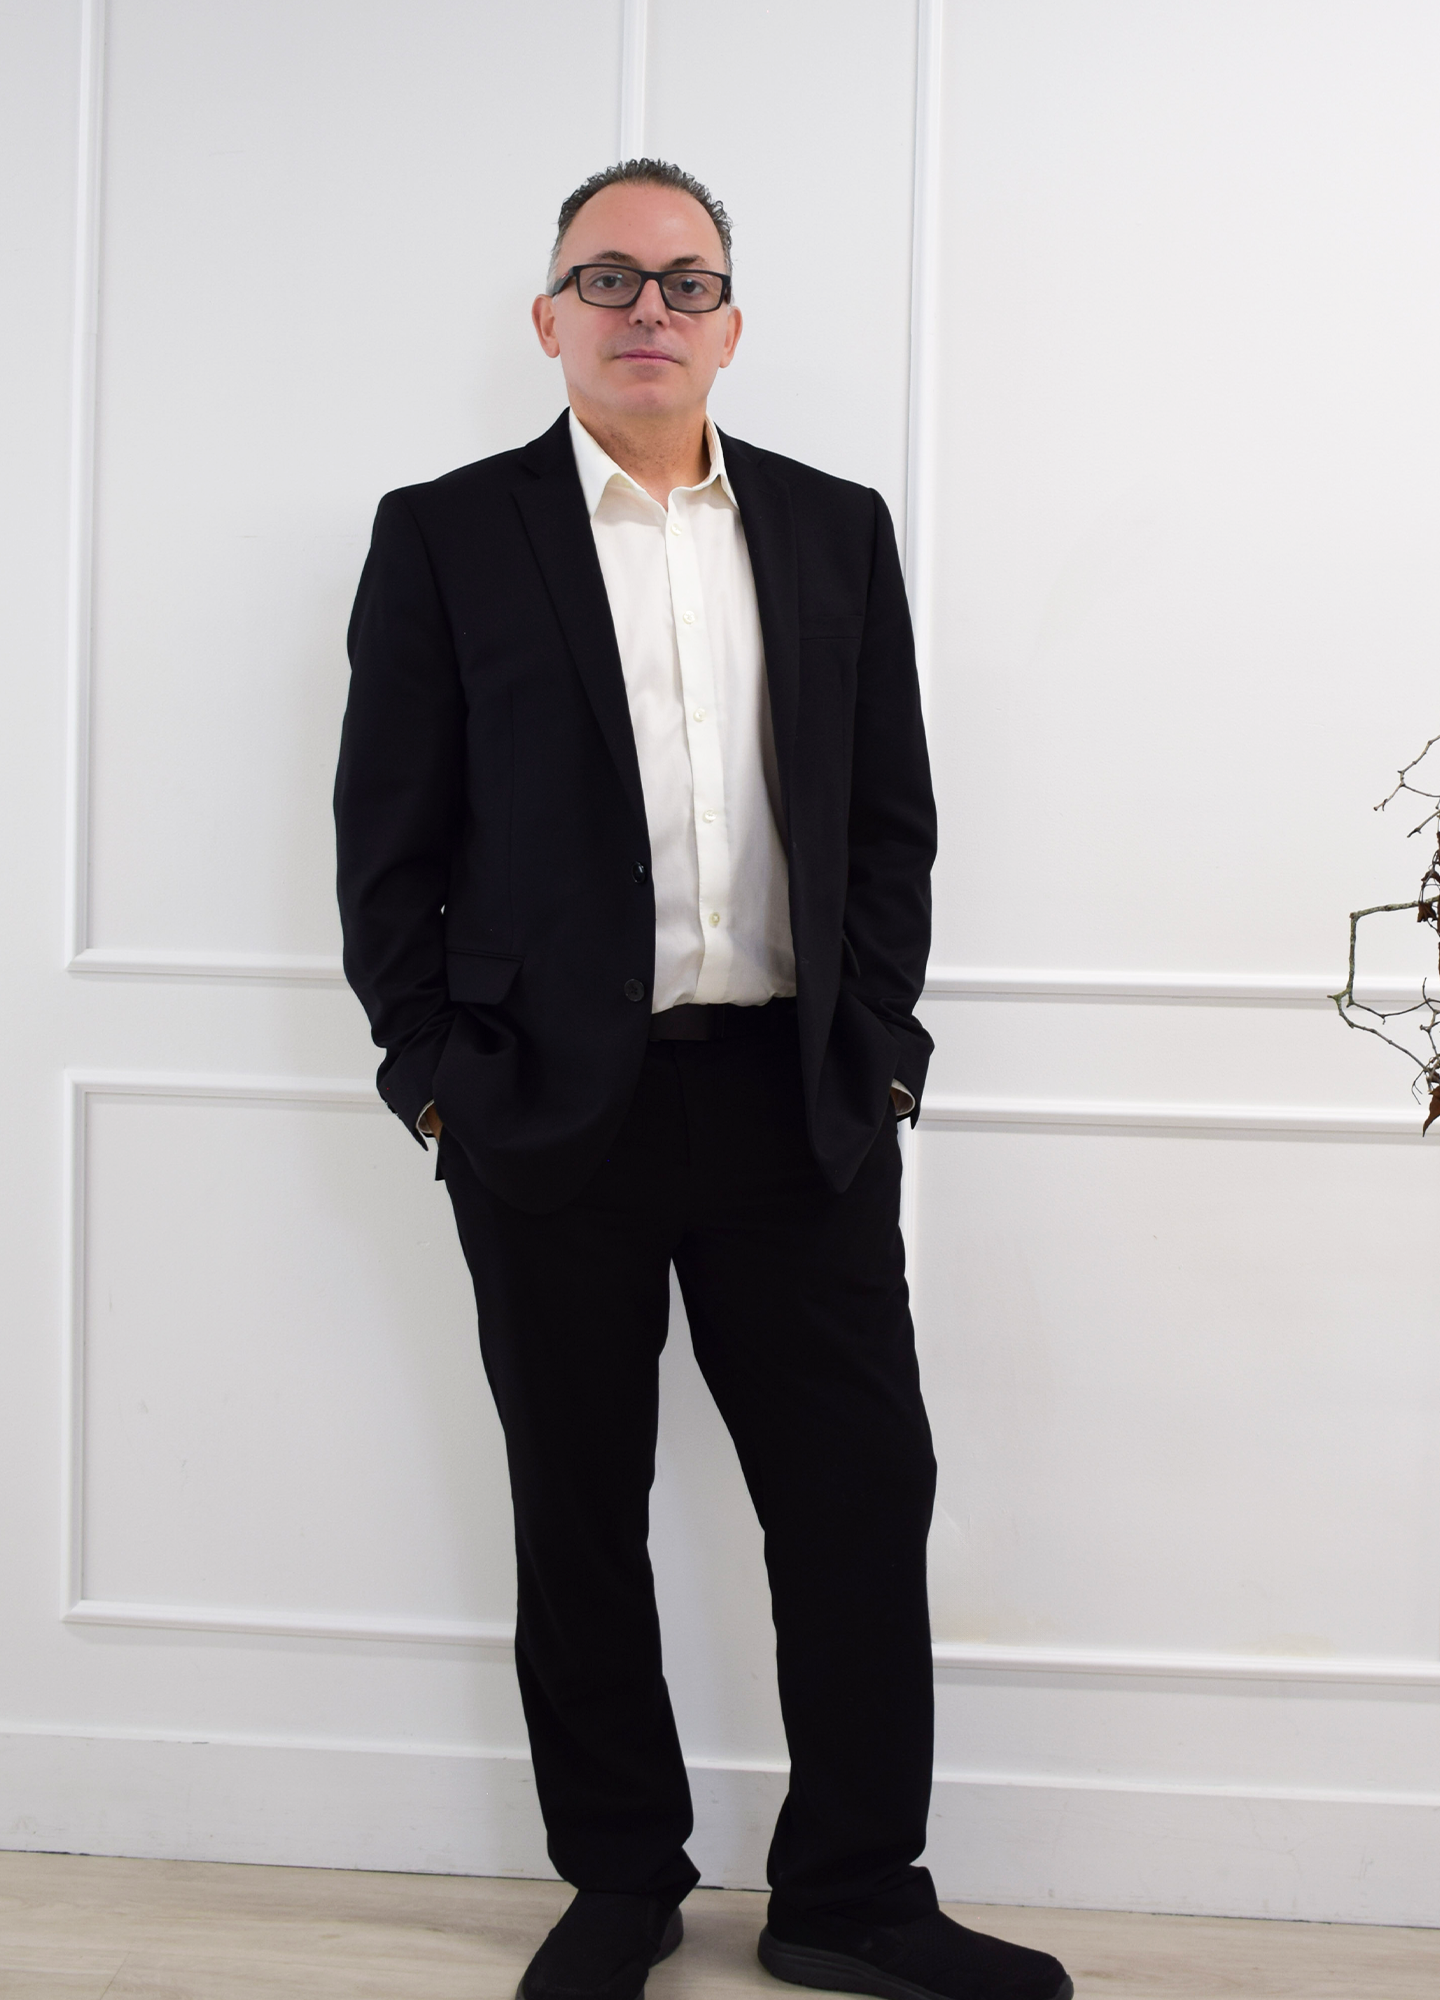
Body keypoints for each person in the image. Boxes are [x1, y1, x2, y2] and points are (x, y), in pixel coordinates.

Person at [334, 158, 1071, 2000]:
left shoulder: (835, 531)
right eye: (607, 279)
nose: (645, 310)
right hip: (540, 1111)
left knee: (852, 1494)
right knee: (576, 1503)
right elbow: (383, 842)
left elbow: (890, 823)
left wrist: (879, 1059)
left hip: (793, 1106)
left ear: (731, 321)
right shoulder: (446, 536)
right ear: (550, 319)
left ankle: (851, 1895)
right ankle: (620, 1878)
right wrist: (434, 1080)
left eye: (682, 282)